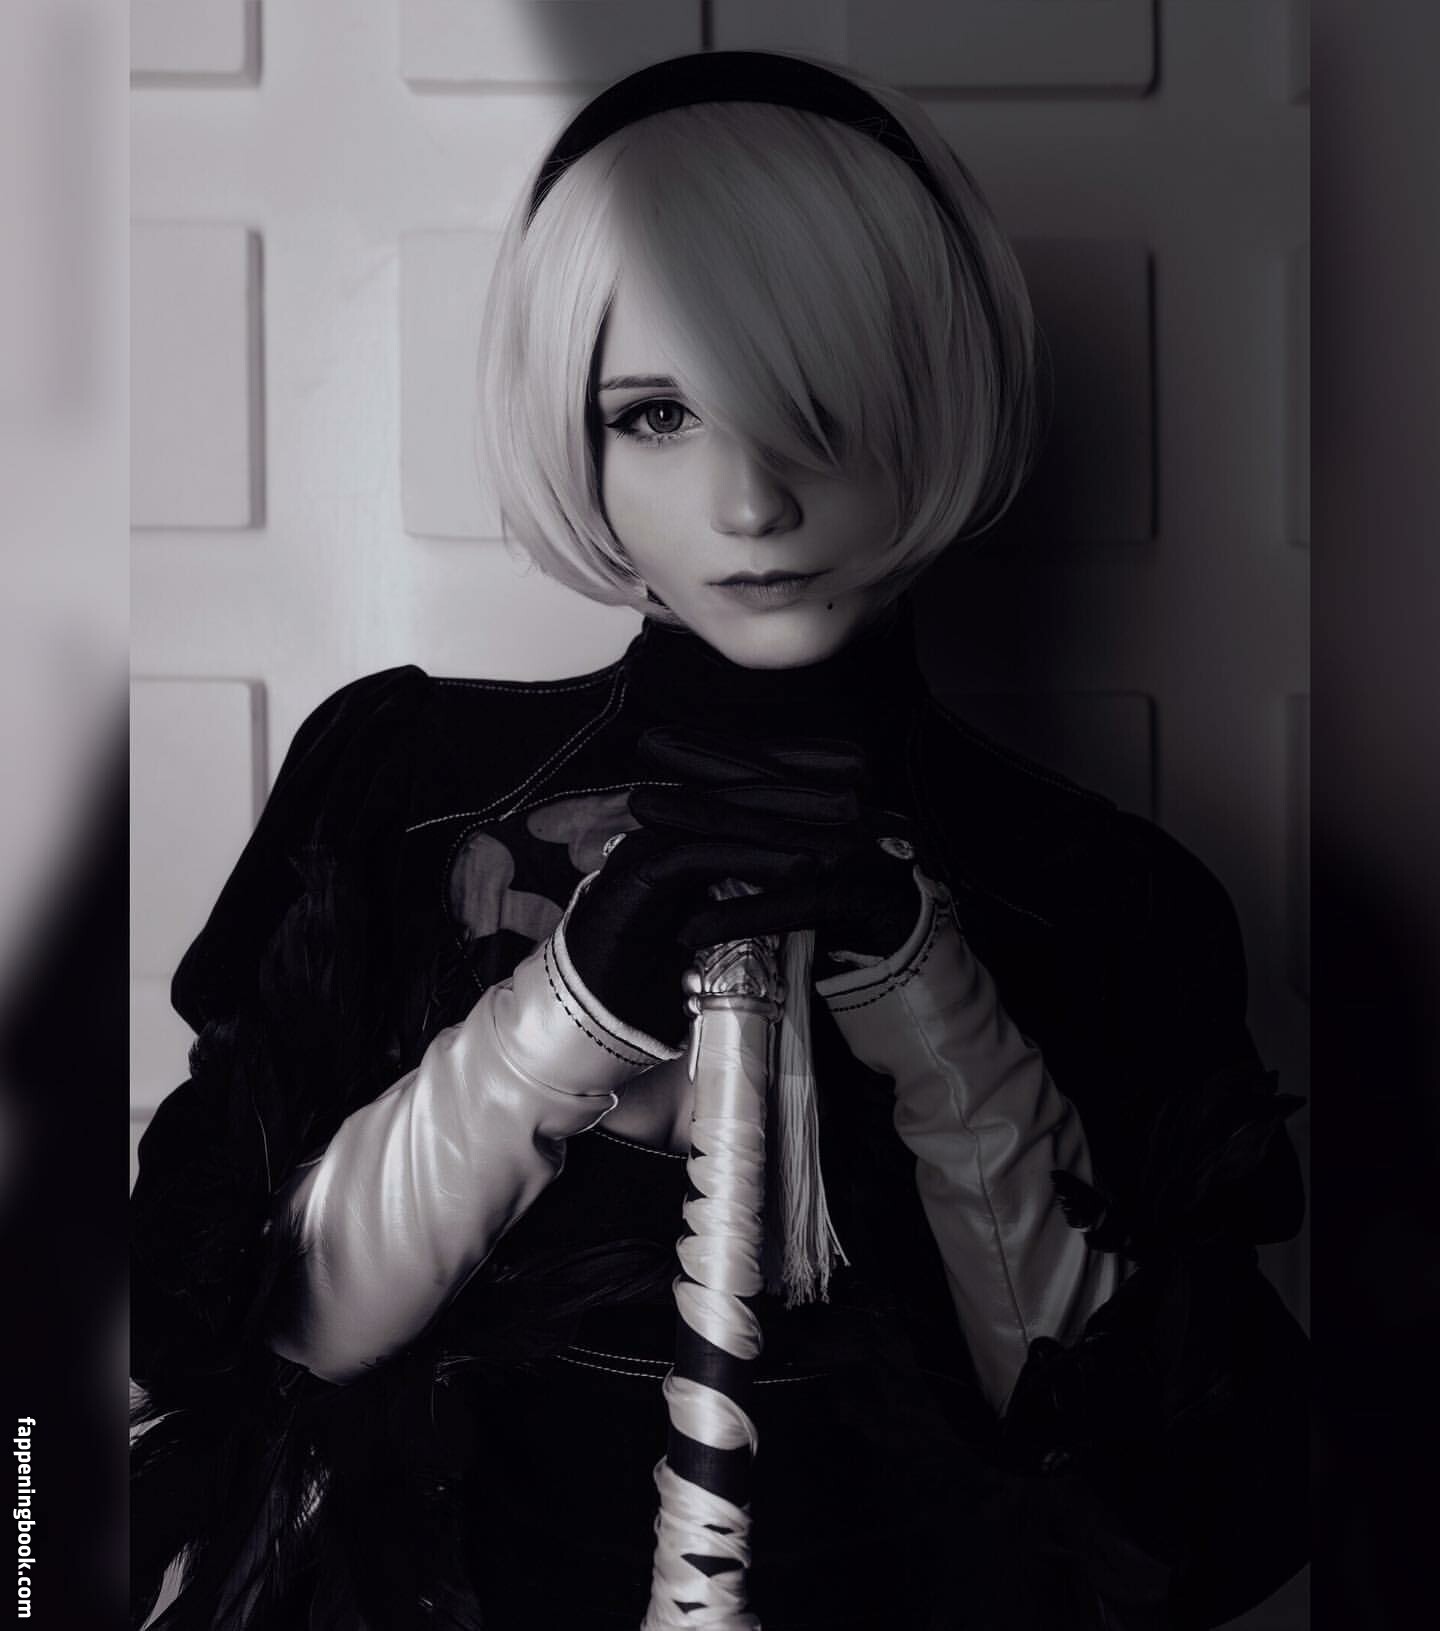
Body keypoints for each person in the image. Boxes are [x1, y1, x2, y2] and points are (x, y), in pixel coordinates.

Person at [130, 51, 1307, 1631]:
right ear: (575, 430)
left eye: (819, 406)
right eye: (660, 414)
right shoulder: (403, 785)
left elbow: (1149, 1465)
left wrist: (924, 999)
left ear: (936, 401)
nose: (752, 502)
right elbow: (241, 1332)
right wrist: (563, 1016)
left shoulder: (1101, 893)